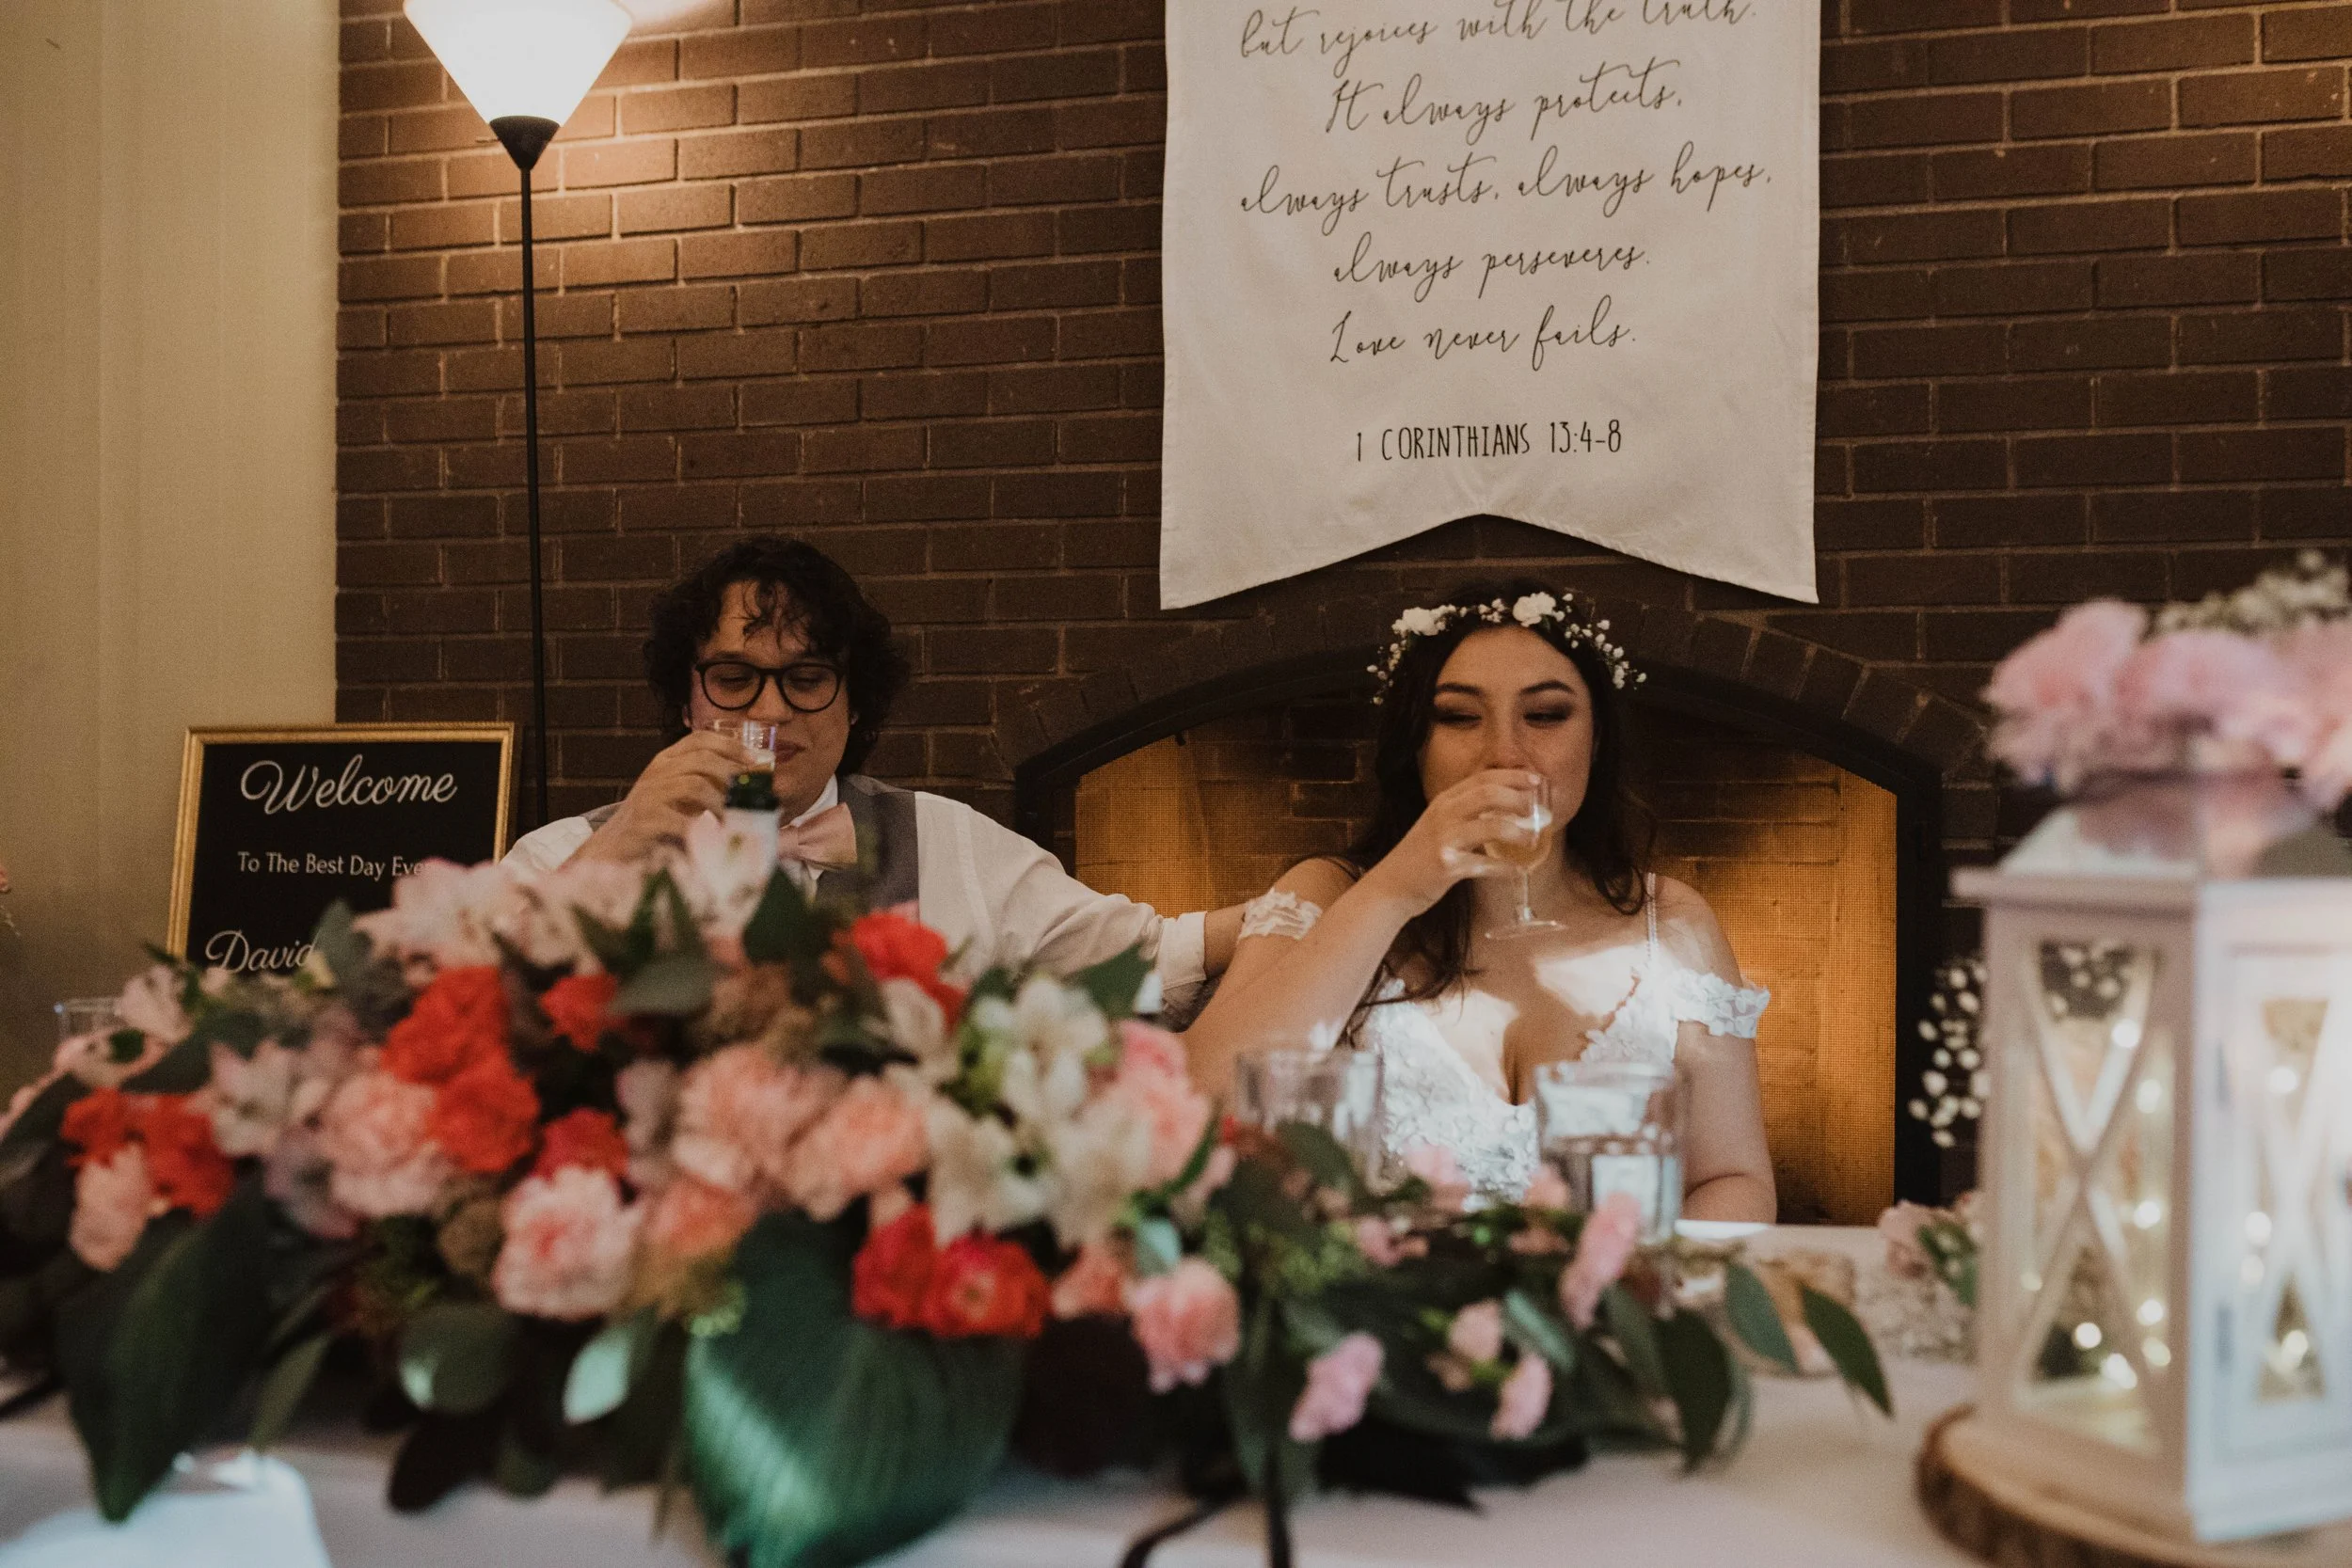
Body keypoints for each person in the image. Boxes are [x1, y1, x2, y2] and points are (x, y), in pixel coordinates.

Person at [1185, 580, 1776, 1219]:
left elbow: (1732, 1178)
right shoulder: (1327, 894)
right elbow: (1199, 1101)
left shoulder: (1674, 924)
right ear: (1417, 746)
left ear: (1597, 738)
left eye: (1546, 715)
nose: (1504, 753)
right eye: (1460, 717)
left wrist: (1632, 1299)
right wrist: (1394, 890)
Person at [505, 536, 1238, 998]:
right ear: (687, 699)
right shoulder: (562, 853)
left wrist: (1310, 904)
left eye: (808, 676)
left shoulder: (947, 841)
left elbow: (1148, 955)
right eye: (735, 677)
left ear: (855, 705)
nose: (771, 710)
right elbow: (455, 1011)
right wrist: (613, 851)